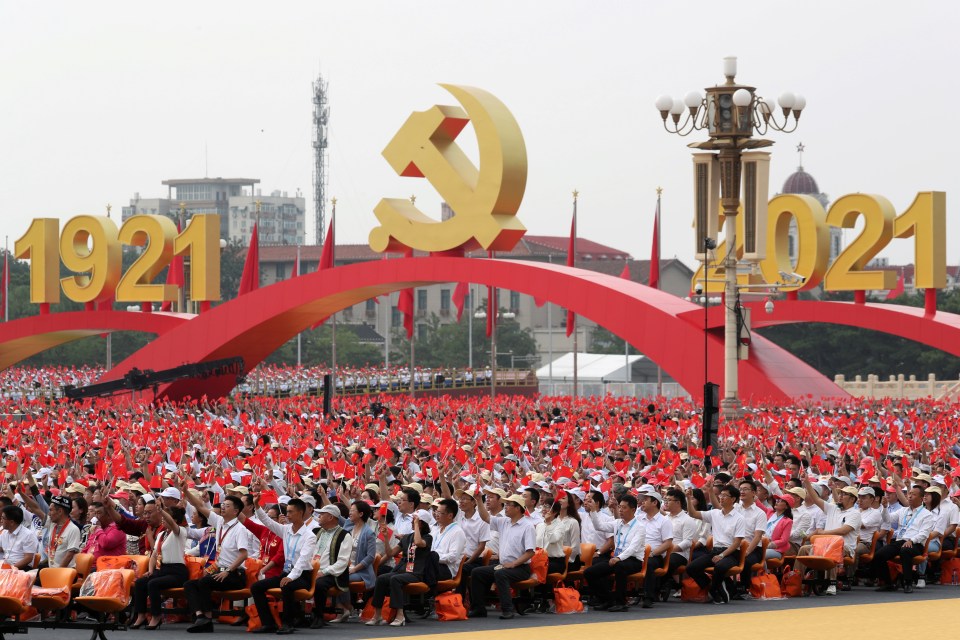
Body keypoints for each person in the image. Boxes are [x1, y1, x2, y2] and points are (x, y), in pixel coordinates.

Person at [246, 492, 316, 635]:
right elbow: (267, 521)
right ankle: (268, 623)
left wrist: (291, 577)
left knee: (287, 585)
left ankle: (287, 623)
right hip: (286, 573)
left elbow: (302, 560)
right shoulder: (286, 530)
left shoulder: (310, 536)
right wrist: (257, 505)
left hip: (301, 576)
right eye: (287, 512)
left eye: (290, 512)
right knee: (256, 587)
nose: (287, 515)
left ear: (300, 512)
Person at [181, 491, 251, 633]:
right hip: (219, 570)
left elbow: (244, 554)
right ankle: (201, 616)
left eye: (227, 506)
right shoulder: (219, 522)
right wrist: (186, 492)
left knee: (204, 582)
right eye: (223, 505)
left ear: (236, 511)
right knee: (189, 584)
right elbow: (200, 506)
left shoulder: (240, 529)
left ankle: (207, 619)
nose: (223, 507)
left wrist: (228, 571)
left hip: (235, 573)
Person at [469, 492, 536, 620]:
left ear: (518, 508)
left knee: (501, 574)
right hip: (504, 565)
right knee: (477, 572)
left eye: (509, 505)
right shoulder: (504, 522)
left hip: (520, 568)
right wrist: (478, 501)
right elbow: (485, 517)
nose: (505, 507)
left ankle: (507, 609)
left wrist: (514, 563)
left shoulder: (528, 526)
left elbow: (530, 552)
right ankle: (478, 608)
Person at [795, 476, 862, 596]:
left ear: (852, 499)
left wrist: (823, 533)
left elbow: (844, 530)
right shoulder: (833, 508)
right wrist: (807, 483)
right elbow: (815, 499)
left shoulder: (855, 513)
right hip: (824, 544)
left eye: (844, 495)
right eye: (840, 493)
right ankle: (797, 581)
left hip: (845, 547)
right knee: (803, 549)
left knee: (833, 546)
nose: (840, 496)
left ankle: (832, 583)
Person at [365, 515, 432, 627]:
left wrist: (416, 525)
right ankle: (377, 615)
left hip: (416, 573)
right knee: (381, 578)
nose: (412, 522)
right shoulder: (407, 537)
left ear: (421, 523)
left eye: (414, 520)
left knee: (395, 579)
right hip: (401, 569)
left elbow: (418, 542)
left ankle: (400, 615)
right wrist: (386, 538)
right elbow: (391, 553)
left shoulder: (427, 537)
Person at [130, 504, 189, 630]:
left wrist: (161, 510)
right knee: (140, 582)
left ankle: (156, 616)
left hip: (177, 572)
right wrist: (150, 571)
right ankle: (141, 615)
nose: (162, 518)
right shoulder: (161, 534)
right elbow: (154, 555)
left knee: (153, 584)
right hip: (162, 570)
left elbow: (172, 524)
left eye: (165, 516)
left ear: (175, 520)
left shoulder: (180, 531)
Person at [583, 493, 645, 612]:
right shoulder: (617, 523)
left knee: (619, 566)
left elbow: (632, 548)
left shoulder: (640, 527)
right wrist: (593, 511)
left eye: (624, 508)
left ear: (633, 510)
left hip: (633, 560)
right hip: (617, 559)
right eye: (620, 507)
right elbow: (599, 526)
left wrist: (618, 558)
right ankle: (607, 599)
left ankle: (621, 602)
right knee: (589, 572)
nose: (620, 510)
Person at [684, 485, 746, 604]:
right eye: (720, 495)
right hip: (715, 550)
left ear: (733, 499)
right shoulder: (714, 513)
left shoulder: (739, 518)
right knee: (691, 568)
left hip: (731, 553)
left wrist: (722, 555)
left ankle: (714, 589)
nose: (721, 498)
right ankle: (713, 587)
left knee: (720, 566)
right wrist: (688, 498)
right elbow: (693, 514)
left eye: (724, 496)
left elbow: (737, 542)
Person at [873, 485, 935, 593]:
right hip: (900, 541)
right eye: (909, 494)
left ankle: (908, 582)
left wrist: (911, 541)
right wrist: (885, 507)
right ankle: (889, 583)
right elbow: (889, 519)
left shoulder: (927, 514)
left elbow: (924, 533)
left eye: (913, 494)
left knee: (905, 550)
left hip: (916, 543)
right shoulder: (903, 510)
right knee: (879, 554)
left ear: (921, 498)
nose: (910, 496)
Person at [308, 504, 353, 629]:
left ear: (330, 517)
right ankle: (296, 615)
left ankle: (319, 616)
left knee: (320, 584)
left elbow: (343, 562)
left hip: (333, 573)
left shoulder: (345, 535)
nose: (319, 516)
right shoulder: (315, 532)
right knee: (291, 580)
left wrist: (324, 571)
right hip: (312, 569)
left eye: (322, 514)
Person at [333, 500, 376, 623]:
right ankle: (343, 608)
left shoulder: (369, 532)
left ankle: (347, 608)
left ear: (361, 514)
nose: (349, 513)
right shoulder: (348, 526)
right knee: (331, 576)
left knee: (341, 577)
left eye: (352, 511)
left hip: (362, 571)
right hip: (346, 567)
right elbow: (335, 515)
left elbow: (370, 557)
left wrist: (354, 569)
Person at [636, 489, 673, 609]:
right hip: (637, 553)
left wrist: (651, 553)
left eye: (646, 500)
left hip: (654, 555)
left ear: (654, 503)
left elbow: (668, 543)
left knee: (649, 564)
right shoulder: (639, 518)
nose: (643, 502)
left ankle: (648, 597)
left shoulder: (664, 521)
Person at [41, 495, 81, 570]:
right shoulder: (52, 524)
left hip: (66, 573)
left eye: (51, 510)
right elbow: (35, 508)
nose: (49, 514)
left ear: (60, 511)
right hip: (52, 571)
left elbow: (69, 555)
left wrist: (57, 573)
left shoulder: (73, 529)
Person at [0, 504, 40, 570]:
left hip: (21, 568)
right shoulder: (4, 532)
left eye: (3, 518)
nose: (1, 520)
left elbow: (28, 559)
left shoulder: (28, 535)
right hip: (6, 566)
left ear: (12, 522)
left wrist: (11, 568)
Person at [764, 495, 794, 560]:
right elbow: (759, 505)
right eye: (777, 500)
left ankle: (764, 570)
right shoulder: (770, 513)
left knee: (760, 554)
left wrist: (769, 545)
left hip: (776, 549)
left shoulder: (788, 521)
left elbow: (784, 540)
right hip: (762, 543)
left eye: (780, 501)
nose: (776, 502)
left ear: (786, 506)